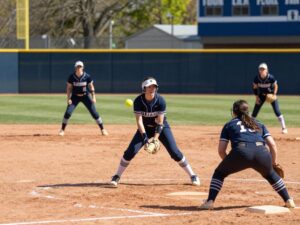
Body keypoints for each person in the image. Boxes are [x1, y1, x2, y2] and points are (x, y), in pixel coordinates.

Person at [200, 100, 295, 210]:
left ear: (234, 112)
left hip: (240, 152)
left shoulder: (229, 124)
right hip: (262, 153)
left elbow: (221, 150)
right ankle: (288, 200)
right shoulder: (259, 123)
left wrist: (231, 163)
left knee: (219, 173)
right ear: (247, 111)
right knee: (271, 174)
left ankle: (210, 201)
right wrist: (273, 163)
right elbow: (272, 145)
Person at [110, 77, 200, 187]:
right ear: (144, 88)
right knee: (131, 151)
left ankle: (193, 175)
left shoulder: (160, 101)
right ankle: (116, 176)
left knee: (174, 152)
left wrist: (155, 139)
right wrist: (145, 138)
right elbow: (139, 121)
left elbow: (160, 122)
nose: (152, 89)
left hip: (161, 127)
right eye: (149, 87)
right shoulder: (138, 101)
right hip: (145, 128)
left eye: (154, 87)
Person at [59, 61, 108, 136]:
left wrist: (93, 96)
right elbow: (69, 88)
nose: (79, 68)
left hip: (86, 96)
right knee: (68, 113)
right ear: (75, 68)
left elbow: (91, 86)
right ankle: (62, 130)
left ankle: (103, 129)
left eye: (80, 66)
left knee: (94, 113)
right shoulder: (71, 77)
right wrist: (68, 98)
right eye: (77, 67)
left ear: (83, 67)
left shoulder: (87, 76)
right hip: (75, 97)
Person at [252, 63, 287, 134]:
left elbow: (276, 85)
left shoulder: (271, 77)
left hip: (270, 94)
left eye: (263, 69)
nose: (262, 70)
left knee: (277, 111)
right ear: (259, 70)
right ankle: (251, 127)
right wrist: (257, 98)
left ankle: (284, 128)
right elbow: (255, 88)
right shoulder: (256, 78)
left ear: (266, 70)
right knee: (254, 112)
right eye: (260, 69)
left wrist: (274, 94)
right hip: (261, 95)